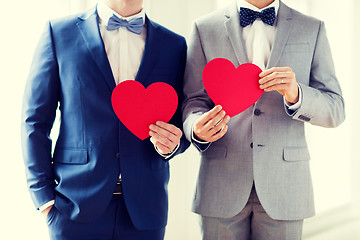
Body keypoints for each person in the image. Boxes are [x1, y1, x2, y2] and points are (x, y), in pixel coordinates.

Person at [21, 0, 189, 239]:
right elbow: (35, 120)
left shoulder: (174, 44)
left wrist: (173, 144)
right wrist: (43, 198)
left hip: (146, 209)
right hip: (73, 207)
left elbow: (183, 119)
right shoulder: (59, 33)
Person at [182, 0, 345, 239]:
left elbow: (336, 109)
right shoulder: (204, 28)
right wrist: (196, 128)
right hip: (221, 182)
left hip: (285, 186)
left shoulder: (312, 27)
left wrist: (297, 94)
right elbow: (192, 101)